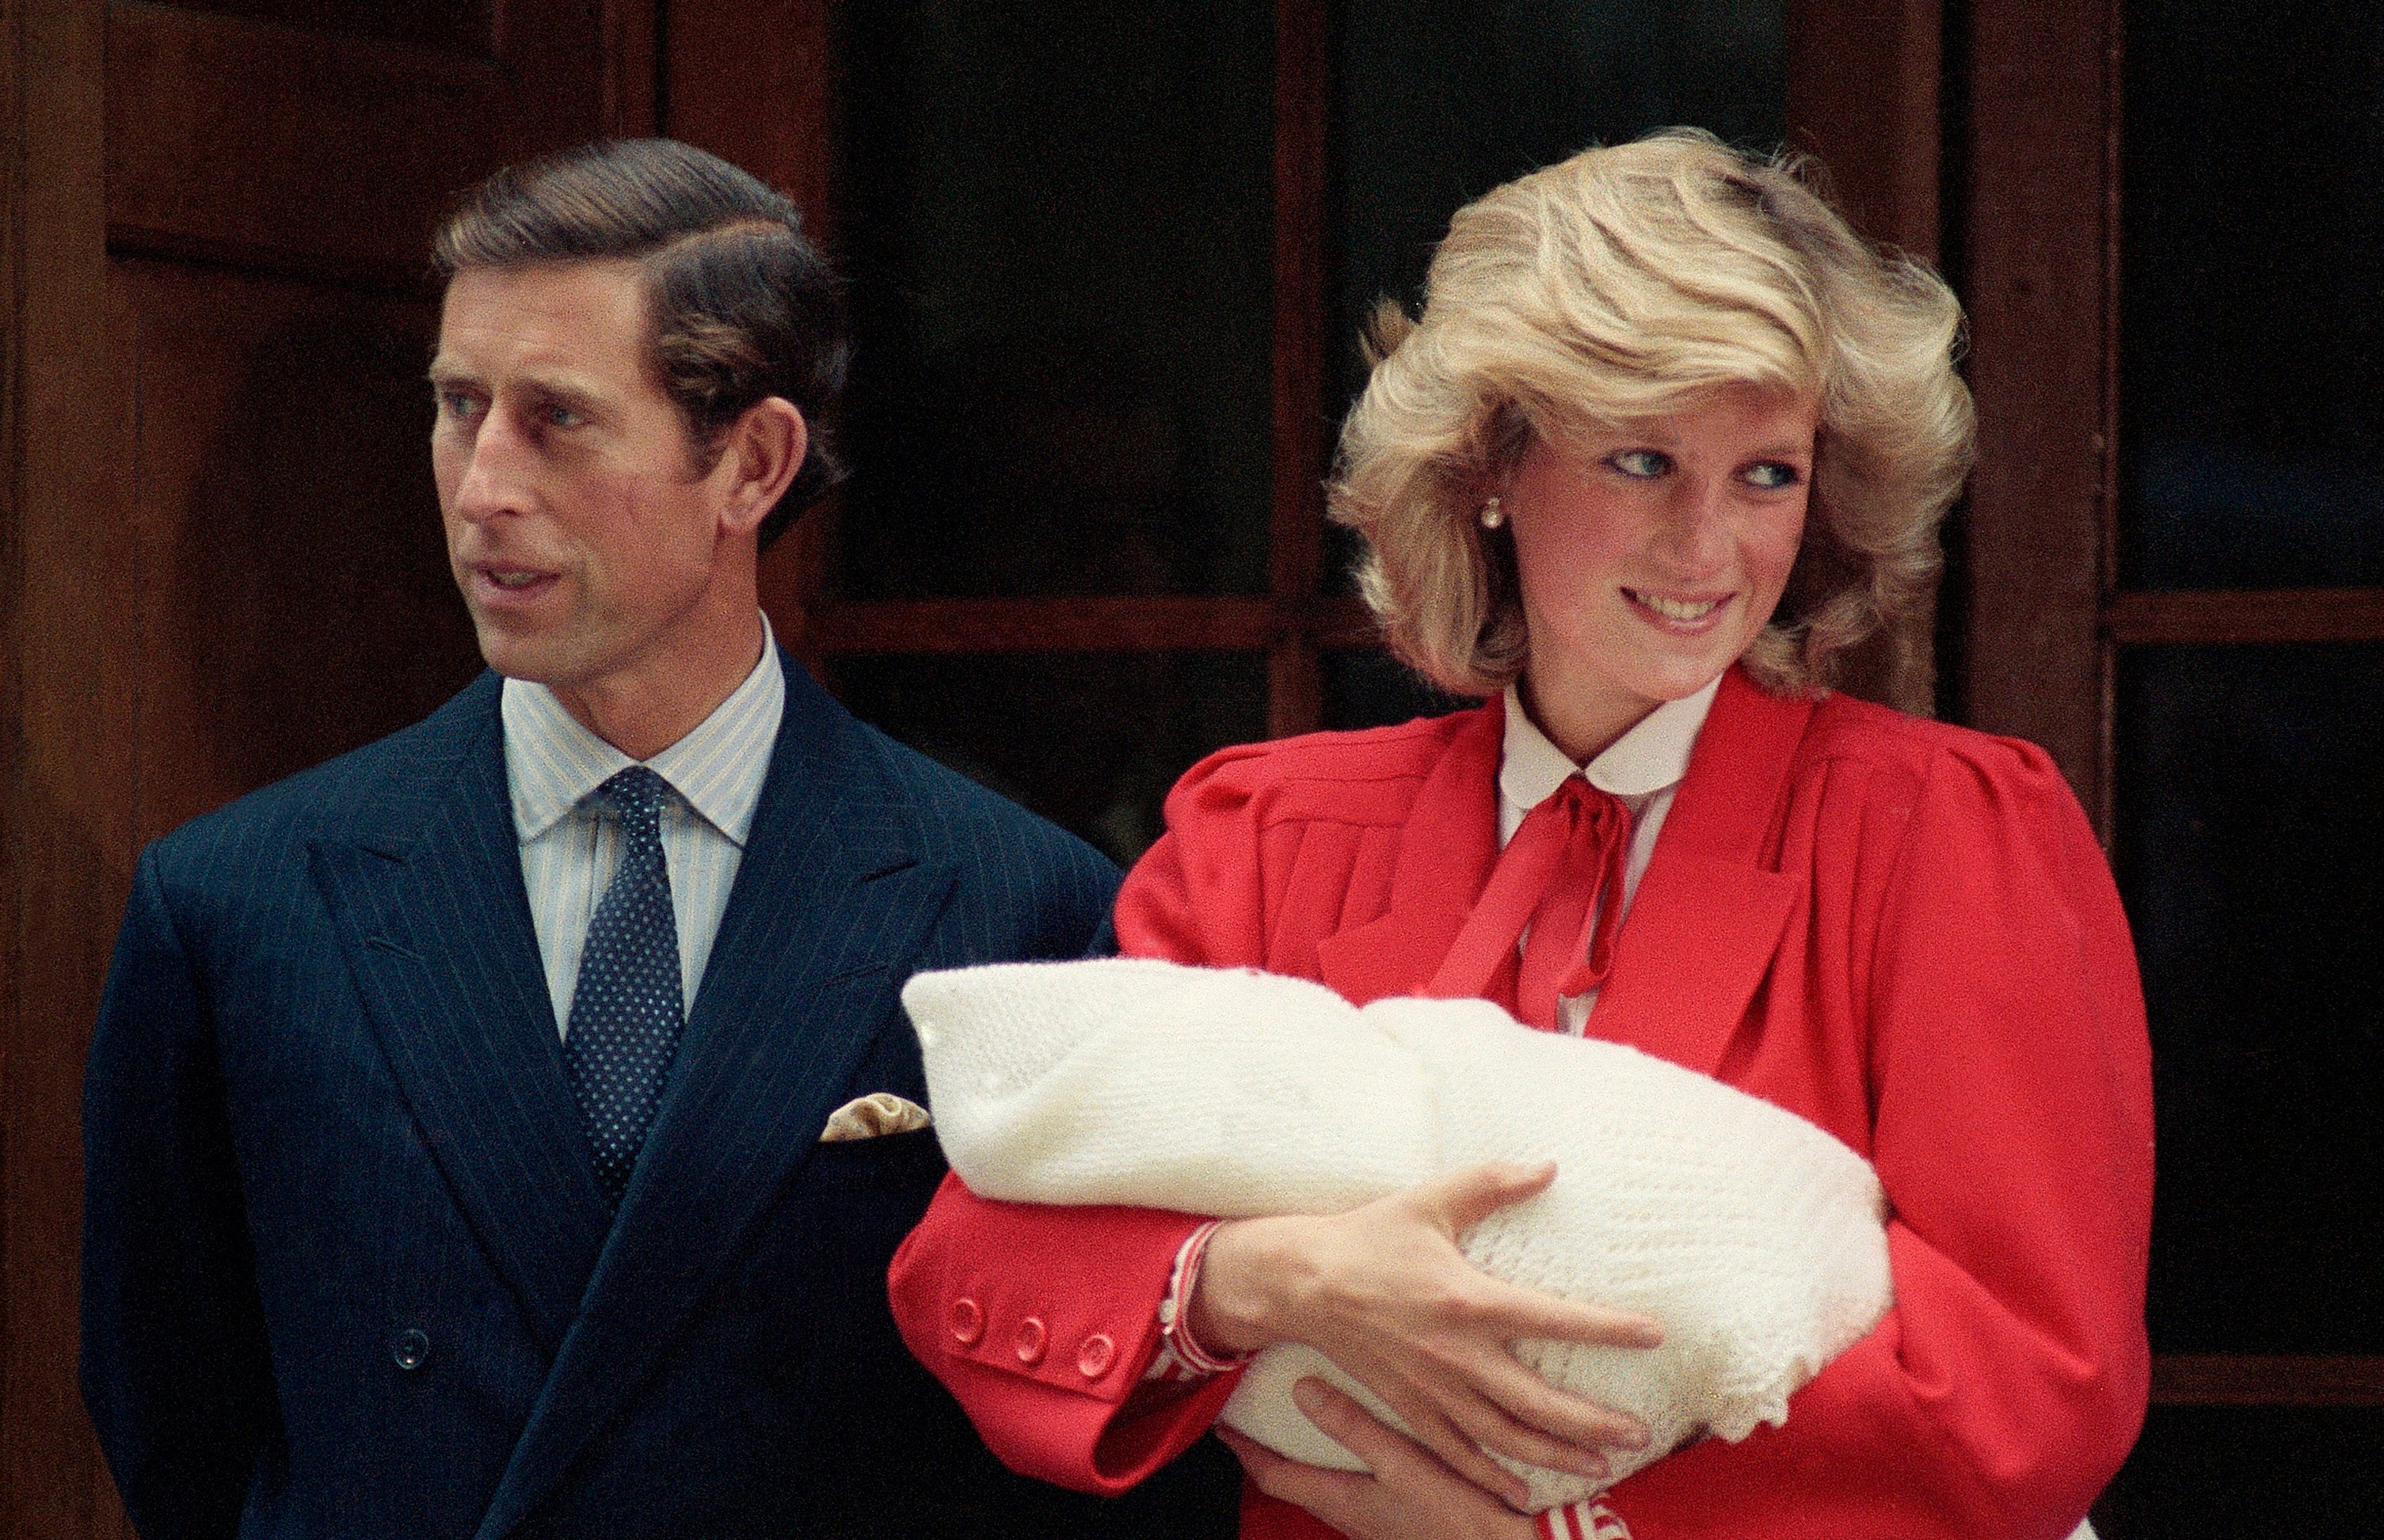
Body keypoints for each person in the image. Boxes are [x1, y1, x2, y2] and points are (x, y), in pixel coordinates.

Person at [890, 129, 2153, 1540]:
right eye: (1640, 457)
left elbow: (2031, 1389)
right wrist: (1275, 1283)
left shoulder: (1952, 835)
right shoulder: (1266, 833)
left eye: (1767, 474)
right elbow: (976, 1260)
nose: (1707, 548)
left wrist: (1563, 1530)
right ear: (1491, 460)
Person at [79, 139, 1234, 1540]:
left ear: (750, 460)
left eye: (555, 418)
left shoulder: (1026, 904)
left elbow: (1085, 1449)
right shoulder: (235, 901)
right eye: (458, 406)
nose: (479, 483)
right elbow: (177, 1422)